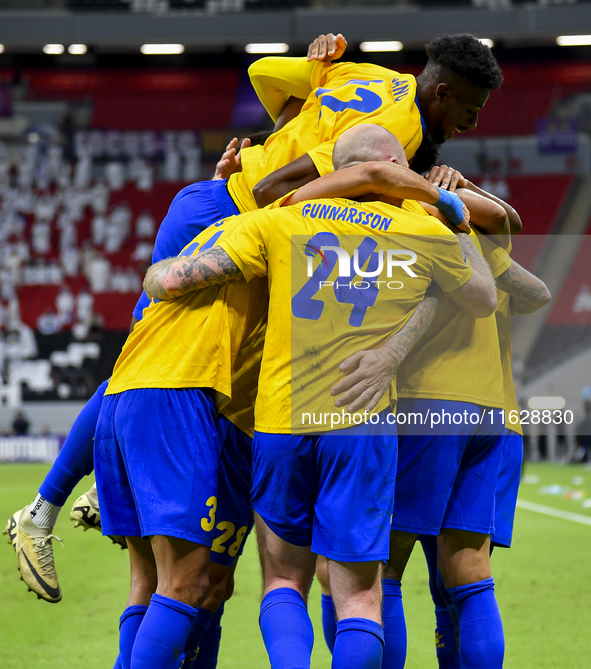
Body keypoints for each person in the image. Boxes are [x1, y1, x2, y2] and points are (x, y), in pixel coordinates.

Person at [144, 125, 497, 669]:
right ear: (395, 169)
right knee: (359, 596)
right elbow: (480, 298)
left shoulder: (278, 219)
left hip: (282, 419)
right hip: (363, 423)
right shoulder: (420, 229)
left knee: (284, 579)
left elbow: (164, 282)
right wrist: (457, 224)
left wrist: (163, 264)